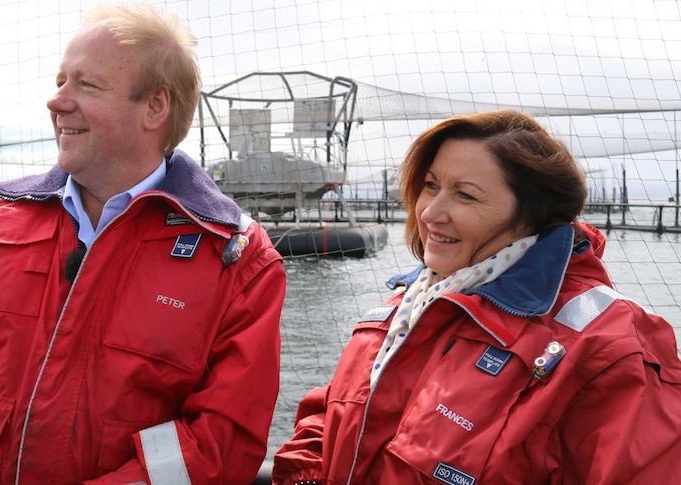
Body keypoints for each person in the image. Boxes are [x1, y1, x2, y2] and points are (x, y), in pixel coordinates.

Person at [0, 3, 286, 485]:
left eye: (85, 85)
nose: (57, 102)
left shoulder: (238, 261)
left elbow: (222, 440)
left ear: (154, 107)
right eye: (60, 82)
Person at [272, 109, 681, 485]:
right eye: (431, 186)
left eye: (465, 195)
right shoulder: (408, 306)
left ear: (532, 215)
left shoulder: (609, 347)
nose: (430, 212)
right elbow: (331, 420)